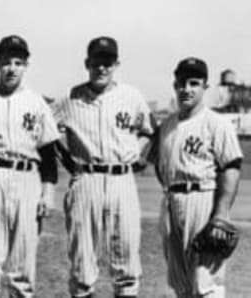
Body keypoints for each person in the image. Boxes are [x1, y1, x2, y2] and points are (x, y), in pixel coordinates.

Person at [54, 36, 155, 298]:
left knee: (127, 262)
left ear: (116, 64)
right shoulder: (70, 97)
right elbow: (47, 133)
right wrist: (67, 159)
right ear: (87, 63)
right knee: (82, 264)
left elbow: (150, 130)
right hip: (86, 178)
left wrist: (137, 152)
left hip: (122, 179)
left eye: (108, 63)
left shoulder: (131, 96)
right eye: (97, 62)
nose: (102, 68)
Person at [0, 35, 60, 297]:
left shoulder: (37, 102)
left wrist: (48, 192)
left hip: (28, 178)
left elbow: (48, 153)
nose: (12, 68)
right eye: (6, 62)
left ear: (26, 66)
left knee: (22, 265)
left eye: (18, 62)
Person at [150, 58, 243, 298]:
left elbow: (231, 167)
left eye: (194, 83)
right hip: (172, 201)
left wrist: (221, 213)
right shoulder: (168, 125)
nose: (186, 89)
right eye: (182, 83)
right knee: (180, 283)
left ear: (205, 87)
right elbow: (161, 166)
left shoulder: (216, 124)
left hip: (202, 199)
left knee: (206, 282)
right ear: (175, 86)